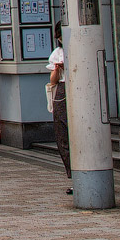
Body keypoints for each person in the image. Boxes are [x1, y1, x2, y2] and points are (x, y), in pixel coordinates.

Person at [46, 29, 72, 190]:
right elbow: (53, 81)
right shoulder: (58, 53)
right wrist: (58, 69)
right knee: (62, 133)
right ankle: (72, 172)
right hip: (62, 89)